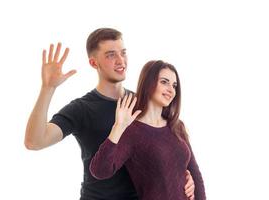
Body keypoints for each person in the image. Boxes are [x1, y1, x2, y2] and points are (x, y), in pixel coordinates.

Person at [24, 28, 195, 200]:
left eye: (123, 53)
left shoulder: (142, 104)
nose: (121, 61)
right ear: (93, 63)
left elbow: (168, 150)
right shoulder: (82, 109)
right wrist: (48, 88)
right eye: (111, 55)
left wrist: (185, 176)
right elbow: (34, 141)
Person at [90, 60, 206, 200]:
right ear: (149, 83)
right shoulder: (132, 131)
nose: (171, 90)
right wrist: (118, 127)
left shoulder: (177, 126)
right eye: (164, 82)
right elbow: (100, 170)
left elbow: (195, 173)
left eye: (174, 85)